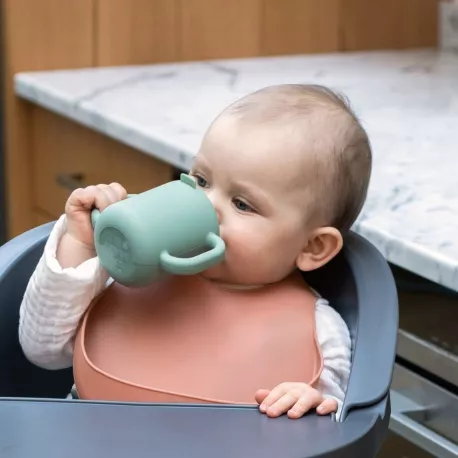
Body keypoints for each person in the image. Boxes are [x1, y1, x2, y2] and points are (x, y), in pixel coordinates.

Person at [19, 84, 372, 420]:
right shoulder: (136, 269)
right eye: (201, 181)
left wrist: (313, 405)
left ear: (312, 247)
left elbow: (340, 426)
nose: (204, 205)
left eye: (242, 204)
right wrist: (80, 246)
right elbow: (43, 351)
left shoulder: (319, 330)